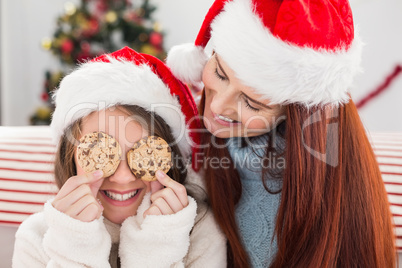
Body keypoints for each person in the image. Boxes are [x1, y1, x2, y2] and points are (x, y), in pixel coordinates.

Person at [166, 0, 396, 267]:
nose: (216, 106)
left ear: (295, 115)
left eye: (252, 103)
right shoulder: (182, 124)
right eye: (219, 72)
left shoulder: (318, 189)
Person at [12, 47, 226, 267]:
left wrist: (157, 248)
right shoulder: (36, 239)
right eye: (99, 152)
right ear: (71, 158)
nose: (122, 177)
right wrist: (75, 247)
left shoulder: (200, 231)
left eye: (144, 154)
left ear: (170, 158)